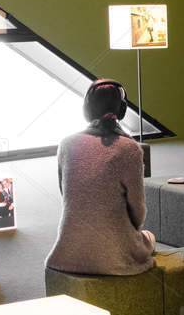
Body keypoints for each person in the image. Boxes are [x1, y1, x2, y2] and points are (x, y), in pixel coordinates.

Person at [45, 80, 156, 275]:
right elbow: (137, 210)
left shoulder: (66, 144)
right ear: (121, 110)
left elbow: (66, 196)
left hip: (67, 253)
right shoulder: (130, 149)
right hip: (117, 256)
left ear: (86, 109)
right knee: (150, 238)